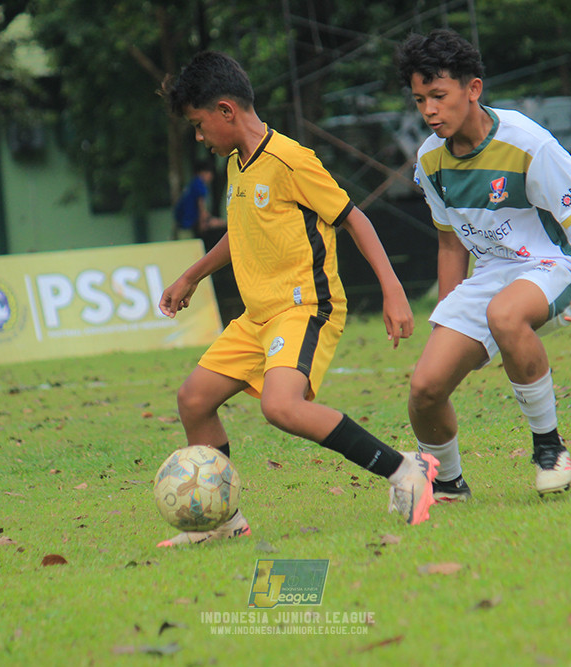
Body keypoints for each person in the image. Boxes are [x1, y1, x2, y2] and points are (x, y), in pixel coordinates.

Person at [157, 50, 437, 546]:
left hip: (305, 307)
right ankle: (225, 523)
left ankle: (405, 471)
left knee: (280, 406)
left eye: (199, 126)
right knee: (194, 400)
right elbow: (240, 233)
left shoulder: (291, 159)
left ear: (226, 111)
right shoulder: (237, 165)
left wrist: (393, 290)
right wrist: (192, 275)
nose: (199, 137)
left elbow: (354, 217)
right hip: (257, 315)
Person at [394, 30, 571, 500]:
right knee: (425, 388)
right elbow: (450, 242)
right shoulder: (429, 160)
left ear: (472, 89)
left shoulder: (525, 142)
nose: (429, 111)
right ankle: (448, 485)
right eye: (419, 100)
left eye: (438, 96)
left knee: (504, 314)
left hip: (558, 261)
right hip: (494, 272)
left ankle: (549, 447)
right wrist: (448, 314)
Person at [172, 160, 222, 240]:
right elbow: (201, 206)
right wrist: (204, 222)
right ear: (203, 172)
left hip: (182, 223)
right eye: (210, 174)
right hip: (189, 224)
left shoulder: (192, 184)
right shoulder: (199, 185)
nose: (211, 177)